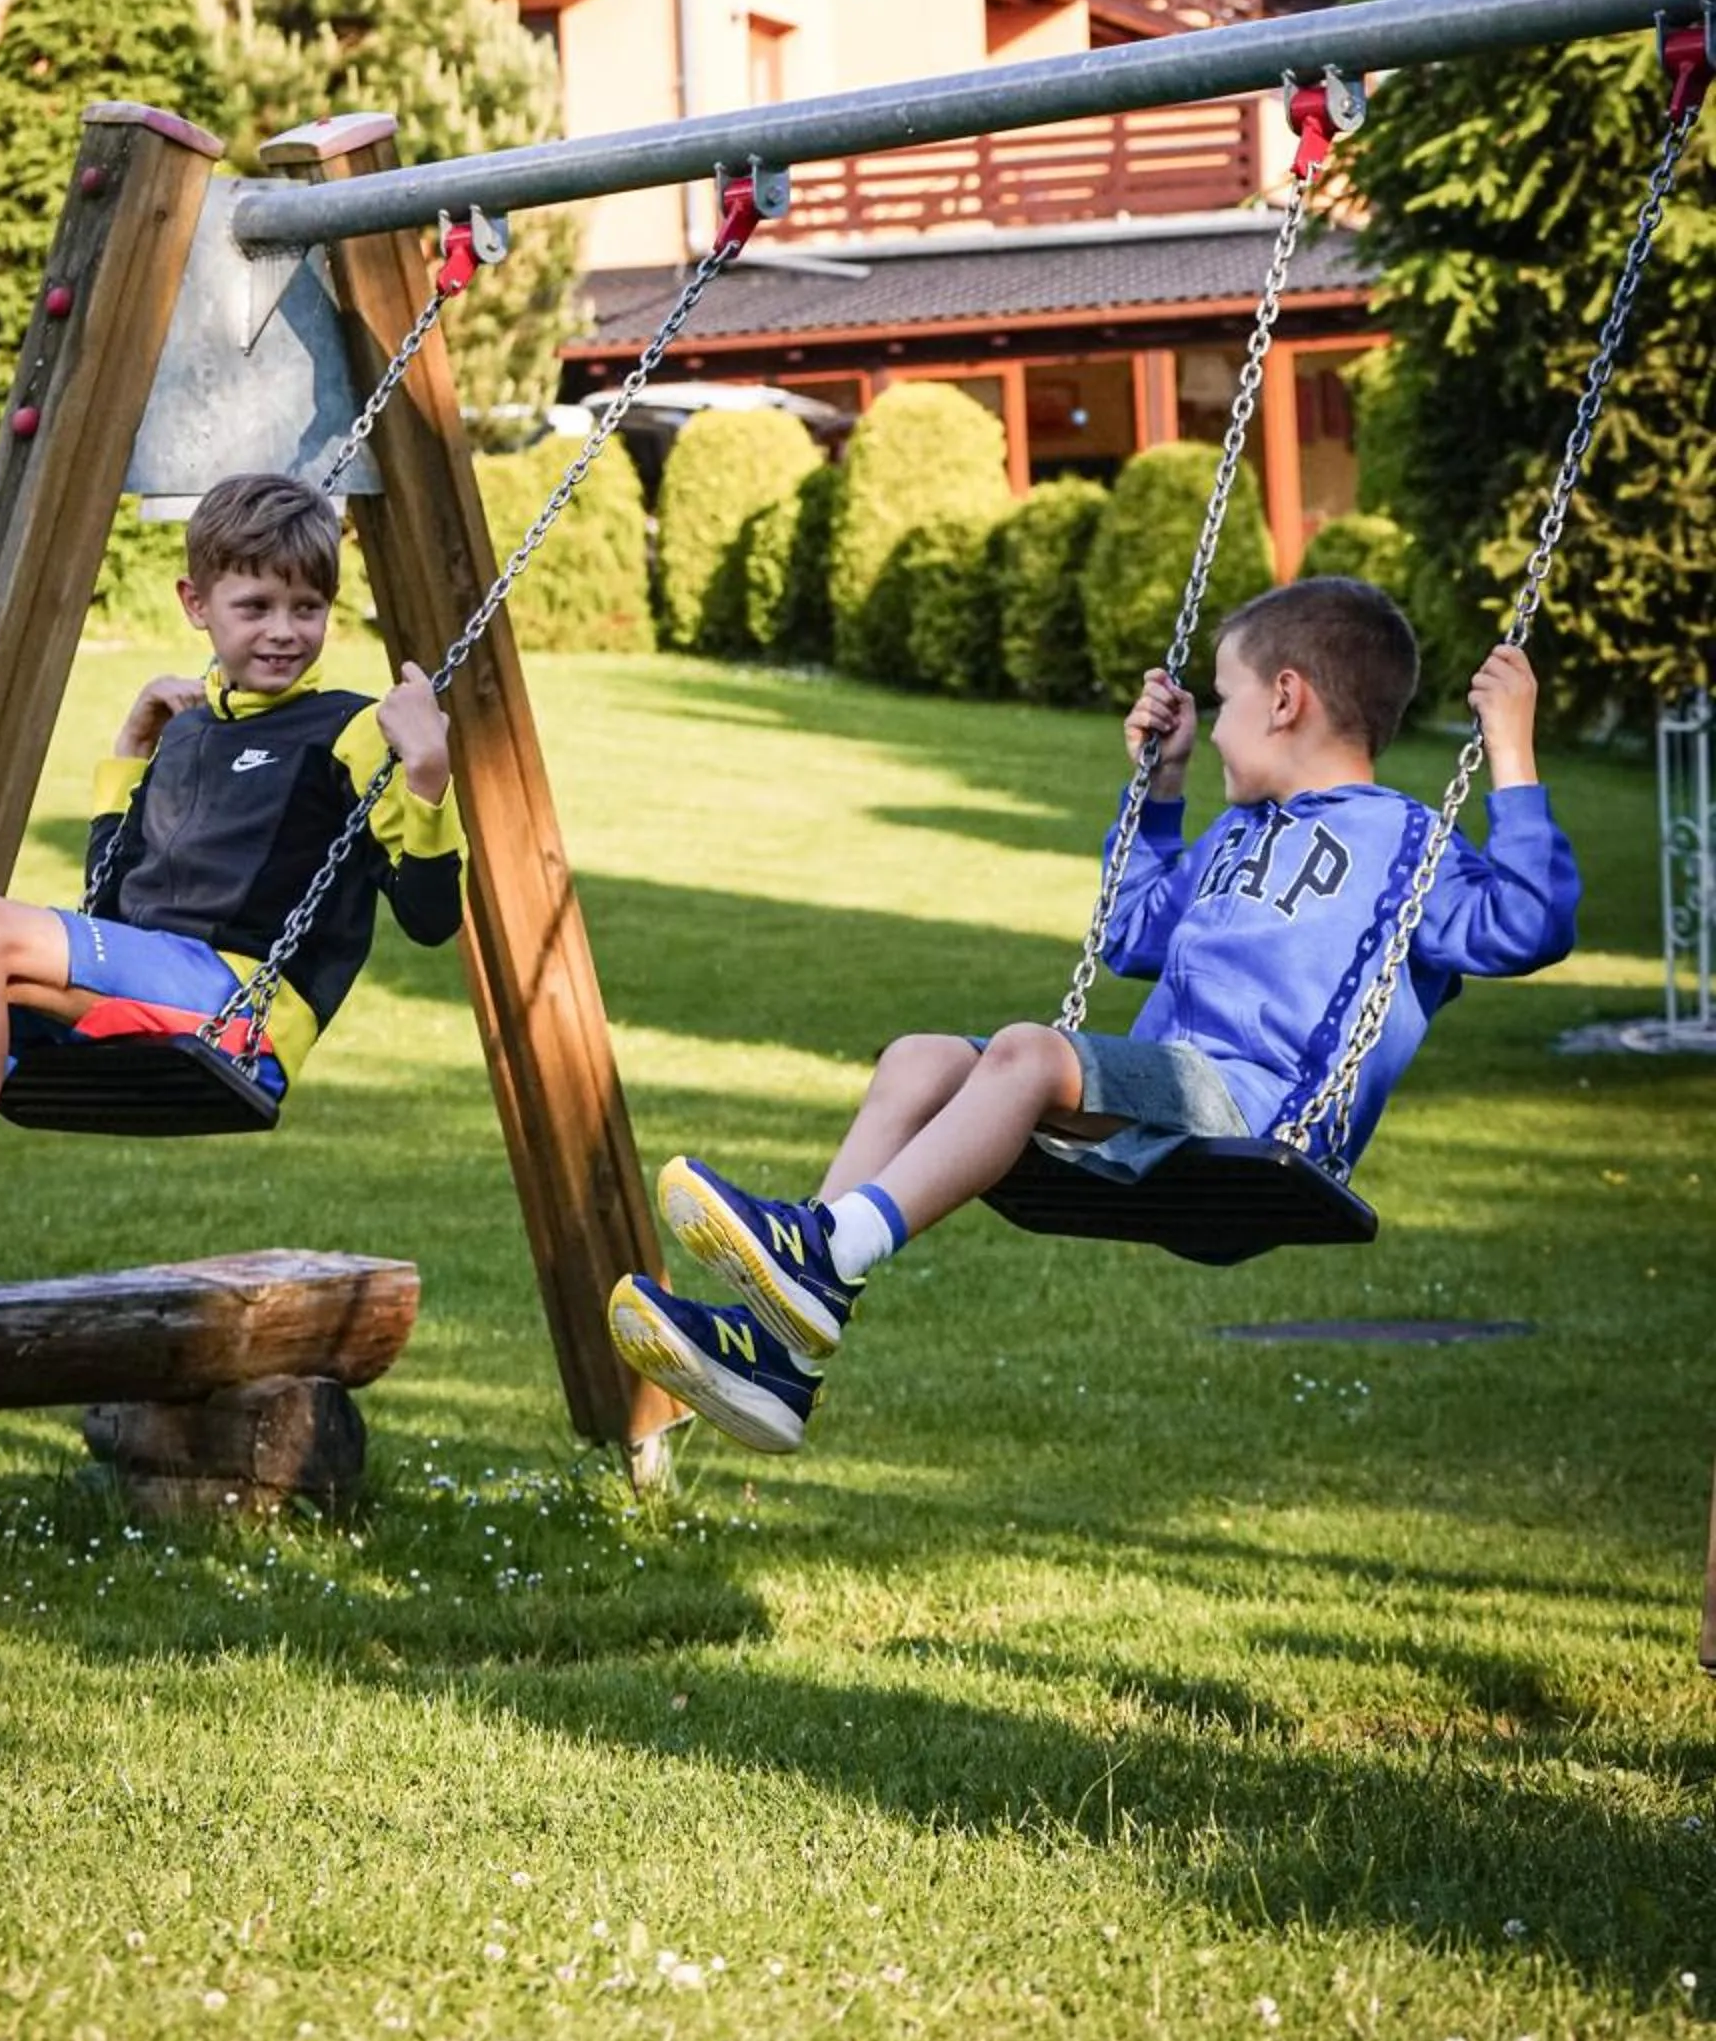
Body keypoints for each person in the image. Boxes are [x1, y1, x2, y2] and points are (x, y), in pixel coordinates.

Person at [608, 577, 1580, 1456]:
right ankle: (781, 1361)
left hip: (1257, 1120)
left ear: (1285, 699)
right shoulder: (1233, 835)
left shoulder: (1407, 844)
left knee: (1030, 1054)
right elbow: (1130, 931)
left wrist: (1510, 751)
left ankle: (826, 1254)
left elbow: (1526, 925)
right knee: (916, 1058)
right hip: (1161, 1098)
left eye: (1226, 699)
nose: (1216, 725)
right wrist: (1162, 786)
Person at [0, 474, 463, 1362]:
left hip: (235, 1006)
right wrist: (129, 757)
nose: (282, 630)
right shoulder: (187, 730)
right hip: (154, 975)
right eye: (255, 605)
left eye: (307, 608)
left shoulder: (353, 730)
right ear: (196, 604)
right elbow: (110, 908)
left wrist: (426, 775)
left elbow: (430, 917)